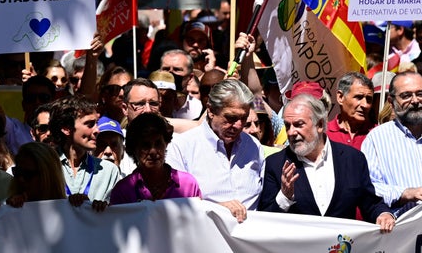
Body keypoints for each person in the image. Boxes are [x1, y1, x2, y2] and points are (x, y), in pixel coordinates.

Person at [259, 95, 395, 232]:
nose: (291, 132)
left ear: (319, 125)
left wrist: (383, 214)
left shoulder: (352, 159)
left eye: (299, 125)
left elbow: (370, 203)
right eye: (287, 126)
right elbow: (265, 221)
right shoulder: (275, 164)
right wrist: (284, 197)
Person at [167, 79, 264, 222]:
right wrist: (216, 210)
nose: (238, 125)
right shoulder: (181, 147)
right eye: (231, 118)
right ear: (211, 111)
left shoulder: (254, 146)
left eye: (243, 118)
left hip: (248, 241)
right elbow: (174, 205)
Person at [0, 41, 55, 155]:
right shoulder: (15, 131)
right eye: (31, 98)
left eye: (44, 97)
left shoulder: (64, 131)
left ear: (53, 101)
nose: (37, 103)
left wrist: (89, 57)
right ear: (23, 104)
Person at [361, 71, 422, 214]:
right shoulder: (376, 139)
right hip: (404, 233)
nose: (415, 101)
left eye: (420, 94)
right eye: (406, 96)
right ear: (391, 102)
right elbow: (370, 188)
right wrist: (405, 193)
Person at [110, 113, 201, 205]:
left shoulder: (188, 184)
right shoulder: (123, 191)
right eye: (145, 145)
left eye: (158, 143)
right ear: (134, 149)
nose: (153, 151)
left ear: (166, 143)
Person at [49, 95, 120, 209]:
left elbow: (117, 214)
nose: (97, 130)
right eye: (90, 124)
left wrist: (101, 208)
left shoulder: (109, 171)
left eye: (96, 123)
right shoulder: (45, 167)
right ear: (66, 128)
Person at [6, 142, 66, 207]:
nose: (21, 179)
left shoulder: (70, 209)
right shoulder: (6, 207)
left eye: (27, 174)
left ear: (48, 176)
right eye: (17, 172)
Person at [327, 72, 376, 149]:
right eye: (359, 97)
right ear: (340, 97)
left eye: (369, 99)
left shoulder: (377, 134)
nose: (365, 105)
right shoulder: (324, 134)